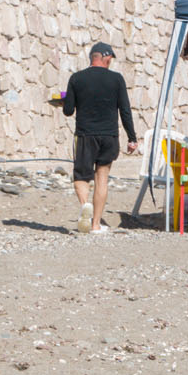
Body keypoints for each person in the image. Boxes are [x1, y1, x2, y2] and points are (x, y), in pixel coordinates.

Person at [61, 42, 138, 235]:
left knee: (81, 176)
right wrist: (132, 138)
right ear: (106, 57)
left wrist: (65, 101)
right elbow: (125, 110)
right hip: (109, 135)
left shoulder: (77, 78)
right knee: (102, 177)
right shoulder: (117, 79)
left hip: (86, 134)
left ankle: (84, 205)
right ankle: (95, 225)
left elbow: (68, 111)